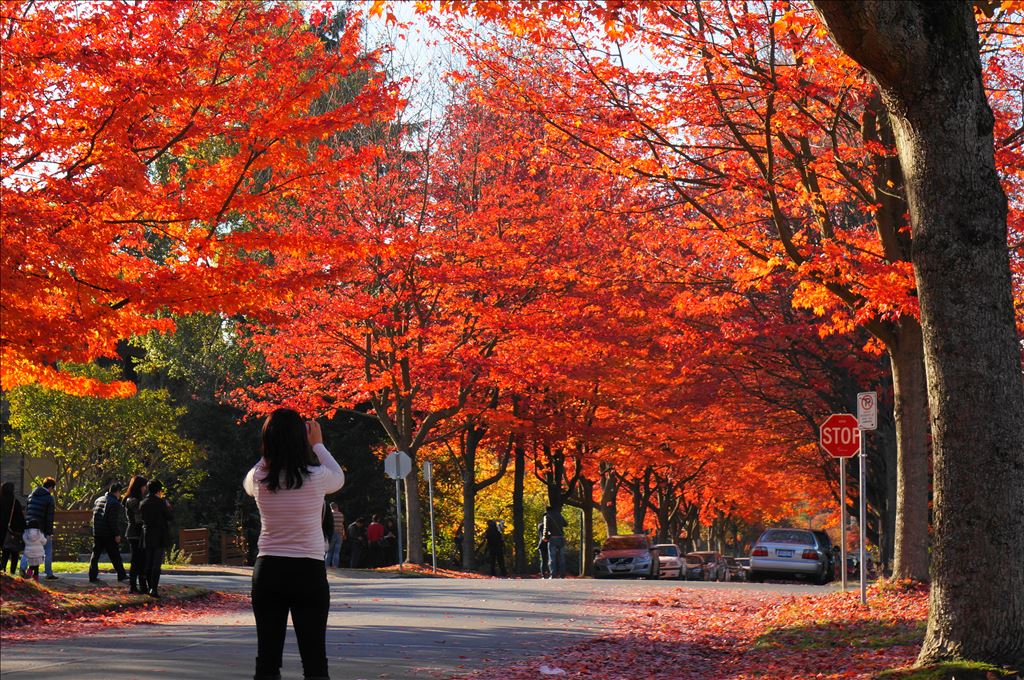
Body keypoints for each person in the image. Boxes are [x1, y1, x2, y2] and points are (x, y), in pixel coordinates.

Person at [243, 409, 345, 680]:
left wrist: (271, 449)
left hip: (268, 570)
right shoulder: (318, 476)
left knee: (267, 658)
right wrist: (318, 444)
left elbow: (248, 481)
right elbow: (339, 476)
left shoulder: (260, 478)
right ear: (302, 439)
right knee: (314, 661)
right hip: (308, 572)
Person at [88, 481, 128, 583]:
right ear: (118, 491)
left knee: (95, 555)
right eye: (120, 493)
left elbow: (95, 516)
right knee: (115, 555)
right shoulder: (114, 503)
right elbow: (112, 521)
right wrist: (117, 534)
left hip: (98, 531)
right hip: (108, 533)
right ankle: (122, 575)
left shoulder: (99, 500)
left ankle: (92, 576)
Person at [140, 479, 173, 598]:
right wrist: (168, 507)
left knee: (148, 561)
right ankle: (154, 588)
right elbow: (169, 517)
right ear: (158, 490)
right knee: (156, 563)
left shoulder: (143, 502)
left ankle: (149, 586)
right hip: (159, 534)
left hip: (147, 533)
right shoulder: (161, 503)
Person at [21, 477, 56, 580]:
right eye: (53, 488)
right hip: (42, 529)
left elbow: (28, 511)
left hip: (29, 527)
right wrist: (49, 532)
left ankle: (22, 568)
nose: (53, 491)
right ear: (50, 487)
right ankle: (48, 573)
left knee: (28, 548)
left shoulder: (31, 495)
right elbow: (49, 517)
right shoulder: (49, 498)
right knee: (48, 550)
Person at [122, 475, 149, 594]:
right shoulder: (133, 501)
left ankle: (140, 585)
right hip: (135, 532)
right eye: (144, 487)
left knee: (139, 560)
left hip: (134, 532)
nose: (145, 489)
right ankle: (134, 585)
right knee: (137, 560)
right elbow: (139, 518)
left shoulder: (132, 499)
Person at [1, 482, 26, 574]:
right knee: (14, 553)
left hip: (2, 533)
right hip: (13, 532)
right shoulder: (15, 502)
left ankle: (2, 570)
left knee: (4, 553)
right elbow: (20, 518)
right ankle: (12, 572)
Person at [542, 506, 568, 579]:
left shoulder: (547, 516)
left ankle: (553, 574)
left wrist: (545, 537)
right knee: (562, 557)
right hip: (561, 537)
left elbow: (545, 528)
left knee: (552, 557)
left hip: (553, 538)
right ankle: (562, 575)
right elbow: (566, 524)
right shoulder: (559, 515)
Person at [326, 503, 345, 568]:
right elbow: (342, 525)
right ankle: (335, 566)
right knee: (337, 551)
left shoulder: (330, 514)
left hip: (332, 534)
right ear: (337, 507)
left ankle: (327, 565)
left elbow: (328, 525)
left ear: (331, 508)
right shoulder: (341, 514)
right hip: (339, 534)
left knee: (329, 551)